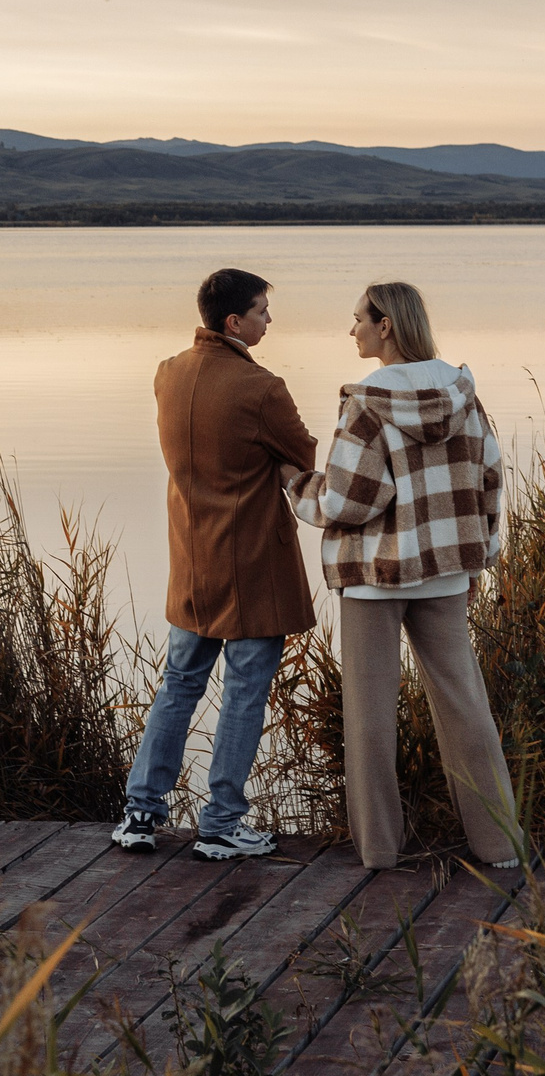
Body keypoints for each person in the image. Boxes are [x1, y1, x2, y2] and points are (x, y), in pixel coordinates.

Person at [285, 281, 521, 871]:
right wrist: (480, 557)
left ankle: (380, 852)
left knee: (369, 716)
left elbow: (349, 501)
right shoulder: (462, 392)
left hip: (374, 576)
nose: (353, 329)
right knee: (466, 707)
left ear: (386, 325)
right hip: (443, 572)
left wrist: (297, 485)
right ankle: (500, 845)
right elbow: (490, 478)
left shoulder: (366, 402)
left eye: (359, 318)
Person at [113, 267, 320, 861]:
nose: (268, 320)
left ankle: (140, 815)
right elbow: (302, 453)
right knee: (245, 693)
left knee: (178, 685)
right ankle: (222, 823)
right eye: (261, 311)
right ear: (234, 322)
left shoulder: (168, 374)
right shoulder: (262, 388)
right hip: (252, 563)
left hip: (193, 561)